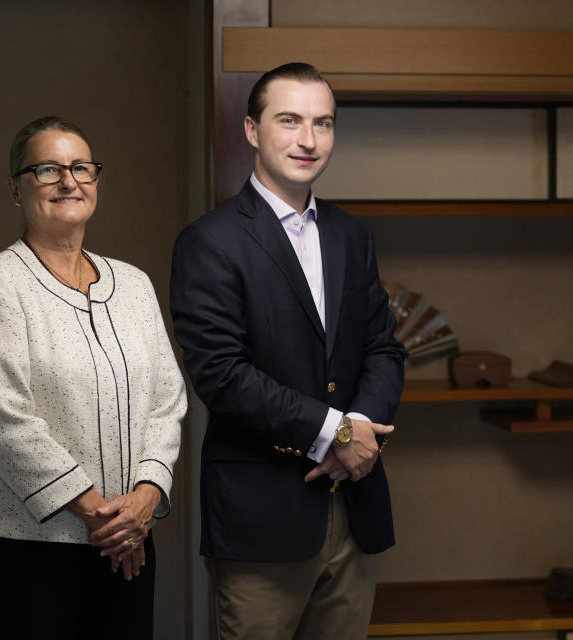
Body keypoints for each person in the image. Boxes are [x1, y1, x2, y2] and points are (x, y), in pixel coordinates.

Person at [170, 62, 405, 639]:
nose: (308, 140)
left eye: (323, 124)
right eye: (290, 121)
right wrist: (337, 433)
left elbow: (384, 348)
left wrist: (357, 431)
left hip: (354, 507)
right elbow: (222, 376)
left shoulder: (352, 234)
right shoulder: (210, 241)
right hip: (261, 518)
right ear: (252, 130)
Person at [0, 115, 186, 638]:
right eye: (47, 169)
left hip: (127, 545)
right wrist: (105, 518)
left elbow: (166, 403)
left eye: (81, 167)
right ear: (15, 188)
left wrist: (145, 499)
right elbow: (3, 420)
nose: (68, 180)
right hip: (18, 555)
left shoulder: (134, 285)